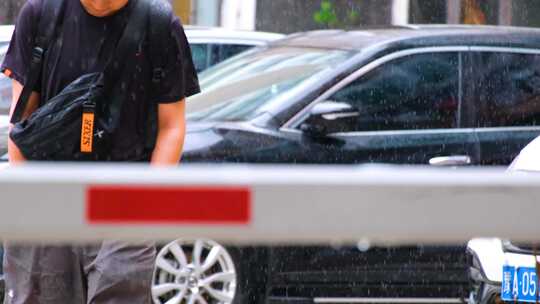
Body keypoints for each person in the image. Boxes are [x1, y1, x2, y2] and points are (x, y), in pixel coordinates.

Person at [0, 0, 200, 302]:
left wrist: (148, 202)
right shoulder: (41, 14)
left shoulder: (158, 22)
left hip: (127, 202)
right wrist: (34, 203)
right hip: (49, 198)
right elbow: (22, 123)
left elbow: (171, 126)